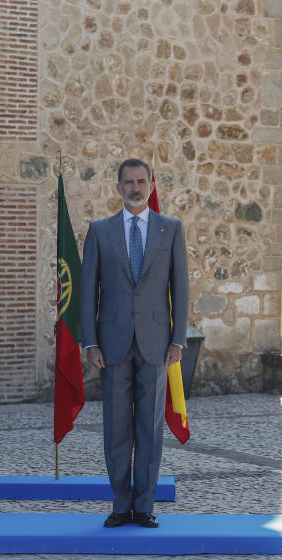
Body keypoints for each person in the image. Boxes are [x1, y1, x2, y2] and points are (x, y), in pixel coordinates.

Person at [80, 158, 190, 528]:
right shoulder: (100, 231)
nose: (135, 188)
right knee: (116, 428)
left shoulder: (170, 229)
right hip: (111, 344)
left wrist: (178, 338)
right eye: (129, 182)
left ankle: (144, 505)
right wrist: (90, 342)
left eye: (142, 181)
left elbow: (181, 288)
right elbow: (87, 291)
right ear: (118, 187)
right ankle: (119, 503)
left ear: (151, 183)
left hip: (157, 343)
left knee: (149, 427)